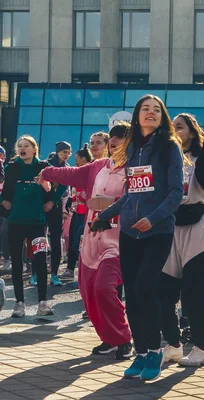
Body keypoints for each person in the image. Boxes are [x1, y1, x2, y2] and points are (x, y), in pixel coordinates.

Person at [95, 95, 184, 381]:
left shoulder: (169, 147)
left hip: (157, 231)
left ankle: (156, 351)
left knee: (147, 287)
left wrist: (154, 217)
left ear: (162, 117)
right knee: (132, 294)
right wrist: (105, 215)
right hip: (129, 232)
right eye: (146, 109)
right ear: (137, 115)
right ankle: (142, 353)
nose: (151, 113)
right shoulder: (132, 147)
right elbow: (132, 193)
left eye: (157, 110)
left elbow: (175, 193)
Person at [39, 122, 133, 360]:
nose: (114, 140)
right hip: (91, 240)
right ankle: (109, 338)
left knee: (104, 288)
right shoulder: (99, 166)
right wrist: (47, 171)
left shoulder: (136, 169)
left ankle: (123, 338)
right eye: (112, 137)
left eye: (121, 137)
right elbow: (71, 174)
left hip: (119, 241)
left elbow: (139, 200)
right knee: (89, 291)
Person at [159, 113, 204, 368]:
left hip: (198, 224)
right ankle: (174, 344)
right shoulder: (165, 159)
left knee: (194, 293)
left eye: (180, 127)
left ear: (193, 132)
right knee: (164, 292)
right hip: (170, 226)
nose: (175, 130)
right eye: (172, 127)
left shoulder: (202, 156)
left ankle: (200, 348)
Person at [3, 136, 55, 317]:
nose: (22, 149)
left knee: (40, 262)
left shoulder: (43, 167)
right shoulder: (11, 167)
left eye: (26, 146)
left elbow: (53, 189)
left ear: (34, 149)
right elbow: (5, 191)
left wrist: (50, 200)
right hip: (16, 221)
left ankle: (43, 302)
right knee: (17, 263)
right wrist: (5, 201)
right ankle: (19, 303)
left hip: (37, 222)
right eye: (19, 147)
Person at [59, 144, 93, 279]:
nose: (75, 162)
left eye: (77, 159)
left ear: (84, 159)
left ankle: (84, 273)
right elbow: (72, 195)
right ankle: (70, 270)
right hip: (77, 213)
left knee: (83, 243)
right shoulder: (77, 173)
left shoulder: (93, 172)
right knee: (73, 240)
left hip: (88, 214)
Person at [42, 141, 71, 287]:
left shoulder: (67, 169)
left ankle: (54, 273)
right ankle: (36, 273)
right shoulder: (45, 164)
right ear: (58, 151)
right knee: (39, 239)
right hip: (40, 205)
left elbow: (62, 189)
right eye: (64, 151)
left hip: (56, 206)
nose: (66, 154)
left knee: (55, 239)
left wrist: (52, 202)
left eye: (68, 152)